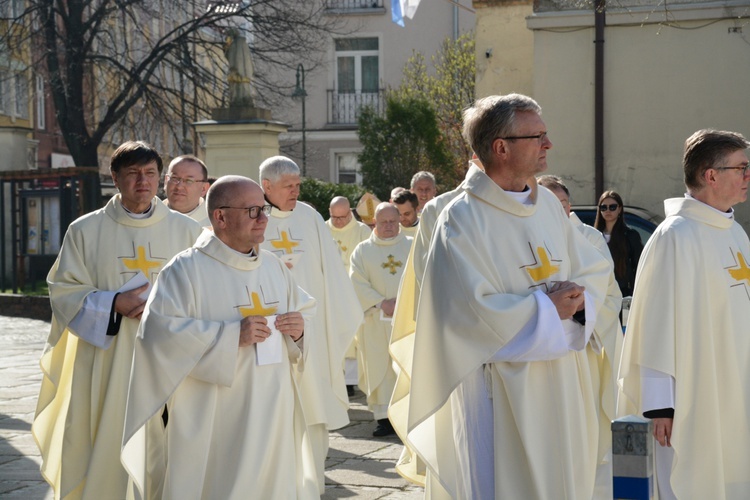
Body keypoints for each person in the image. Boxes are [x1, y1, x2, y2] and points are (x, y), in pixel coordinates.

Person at [405, 94, 611, 498]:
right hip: (498, 389)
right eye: (538, 136)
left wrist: (581, 298)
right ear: (501, 147)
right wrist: (546, 309)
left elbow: (591, 266)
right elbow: (463, 314)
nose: (548, 145)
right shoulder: (462, 218)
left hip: (563, 379)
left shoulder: (549, 205)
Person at [122, 176, 318, 499]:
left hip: (274, 412)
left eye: (264, 209)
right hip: (214, 415)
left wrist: (299, 330)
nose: (264, 218)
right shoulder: (184, 271)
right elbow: (158, 337)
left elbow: (304, 313)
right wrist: (230, 336)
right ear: (220, 217)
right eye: (254, 211)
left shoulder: (273, 267)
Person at [32, 141, 202, 499]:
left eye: (150, 173)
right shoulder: (85, 230)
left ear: (159, 177)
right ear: (115, 178)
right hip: (108, 360)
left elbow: (207, 291)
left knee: (167, 442)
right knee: (107, 435)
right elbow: (62, 290)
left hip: (168, 355)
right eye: (133, 174)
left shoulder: (188, 233)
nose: (143, 181)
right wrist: (114, 303)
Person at [620, 129, 750, 499]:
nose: (747, 175)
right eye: (741, 167)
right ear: (711, 175)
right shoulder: (675, 237)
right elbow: (655, 324)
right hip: (691, 398)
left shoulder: (735, 233)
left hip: (735, 387)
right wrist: (660, 405)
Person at [258, 156, 363, 493]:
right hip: (266, 332)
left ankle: (312, 484)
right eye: (289, 186)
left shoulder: (310, 217)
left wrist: (336, 320)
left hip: (310, 332)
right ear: (266, 187)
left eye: (298, 184)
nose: (296, 191)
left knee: (312, 407)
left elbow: (331, 273)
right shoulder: (252, 217)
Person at [537, 174, 624, 498]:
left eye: (560, 204)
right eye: (547, 204)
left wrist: (580, 312)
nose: (555, 211)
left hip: (582, 353)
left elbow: (609, 295)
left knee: (585, 439)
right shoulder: (530, 238)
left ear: (569, 205)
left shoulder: (588, 238)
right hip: (542, 354)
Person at [349, 203, 412, 437]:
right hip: (375, 320)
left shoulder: (412, 246)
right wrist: (381, 302)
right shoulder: (362, 251)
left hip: (407, 320)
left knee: (405, 367)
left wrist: (404, 303)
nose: (388, 226)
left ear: (399, 221)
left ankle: (406, 414)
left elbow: (423, 277)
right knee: (380, 369)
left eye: (393, 221)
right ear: (374, 221)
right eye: (383, 222)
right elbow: (356, 280)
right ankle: (384, 418)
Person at [326, 195, 372, 396]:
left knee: (354, 335)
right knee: (333, 335)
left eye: (342, 217)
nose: (338, 222)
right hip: (331, 292)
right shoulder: (323, 229)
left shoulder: (362, 231)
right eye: (334, 217)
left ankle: (352, 381)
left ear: (350, 212)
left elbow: (368, 261)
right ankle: (336, 379)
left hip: (354, 291)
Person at [594, 190, 643, 297]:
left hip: (623, 293)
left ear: (619, 209)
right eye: (603, 207)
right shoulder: (594, 235)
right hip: (599, 292)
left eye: (612, 207)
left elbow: (639, 265)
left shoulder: (630, 235)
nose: (608, 210)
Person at [164, 155, 210, 226]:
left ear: (203, 189)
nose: (179, 187)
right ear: (166, 181)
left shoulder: (214, 224)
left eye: (189, 181)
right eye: (174, 178)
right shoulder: (151, 215)